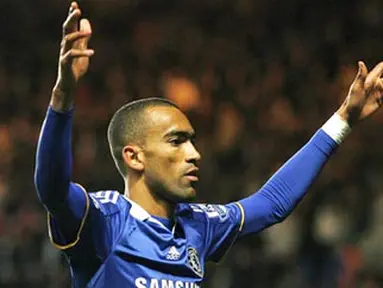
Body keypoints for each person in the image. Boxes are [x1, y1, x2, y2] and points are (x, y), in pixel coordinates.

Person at [34, 2, 383, 288]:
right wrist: (63, 96)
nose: (194, 154)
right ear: (134, 156)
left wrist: (344, 119)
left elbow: (272, 204)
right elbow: (51, 190)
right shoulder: (103, 220)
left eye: (192, 141)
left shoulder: (199, 224)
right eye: (177, 141)